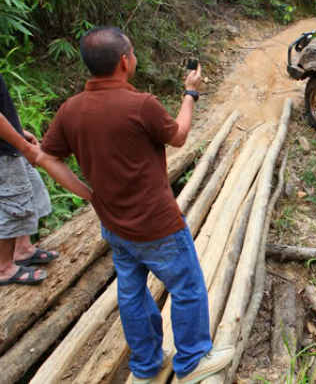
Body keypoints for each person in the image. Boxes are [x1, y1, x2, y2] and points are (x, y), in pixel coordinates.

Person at [37, 27, 234, 384]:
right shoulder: (141, 104)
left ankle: (145, 366)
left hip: (114, 225)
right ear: (125, 61)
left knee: (132, 292)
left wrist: (89, 194)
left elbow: (48, 157)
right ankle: (190, 362)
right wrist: (190, 94)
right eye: (133, 52)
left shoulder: (71, 110)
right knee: (187, 286)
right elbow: (179, 135)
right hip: (158, 225)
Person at [0, 72, 69, 287]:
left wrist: (20, 132)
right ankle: (4, 268)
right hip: (3, 152)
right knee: (14, 205)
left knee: (32, 189)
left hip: (9, 144)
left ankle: (23, 249)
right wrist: (24, 146)